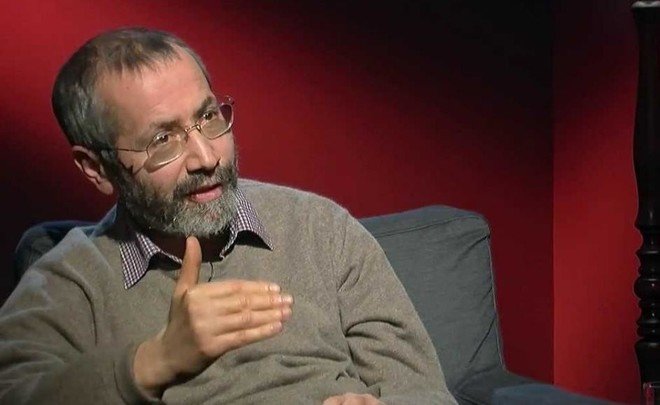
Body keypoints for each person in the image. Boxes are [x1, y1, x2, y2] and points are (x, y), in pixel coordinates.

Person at [0, 28, 456, 404]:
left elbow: (422, 389)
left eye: (208, 118)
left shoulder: (320, 228)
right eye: (162, 140)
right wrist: (156, 361)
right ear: (97, 169)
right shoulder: (70, 281)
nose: (206, 157)